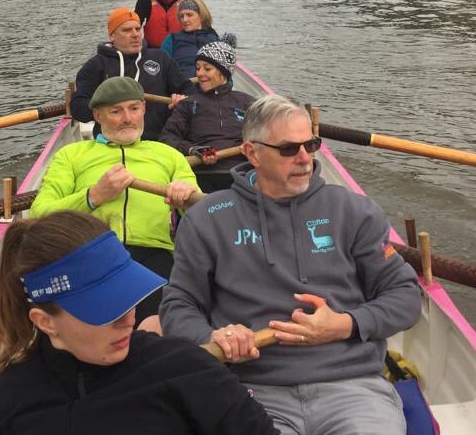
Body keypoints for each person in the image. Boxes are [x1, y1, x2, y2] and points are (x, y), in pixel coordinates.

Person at [160, 94, 421, 435]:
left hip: (352, 387)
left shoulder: (355, 211)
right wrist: (212, 337)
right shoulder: (206, 219)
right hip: (250, 389)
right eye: (288, 149)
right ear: (252, 153)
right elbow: (179, 304)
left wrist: (344, 324)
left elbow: (405, 296)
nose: (304, 159)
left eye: (310, 145)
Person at [0, 211, 278, 435]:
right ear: (45, 321)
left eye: (128, 297)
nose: (128, 319)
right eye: (104, 310)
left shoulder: (186, 368)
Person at [31, 76, 199, 322]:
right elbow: (39, 215)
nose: (128, 118)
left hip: (153, 254)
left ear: (144, 109)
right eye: (116, 111)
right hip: (88, 252)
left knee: (165, 322)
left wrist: (186, 198)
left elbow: (202, 214)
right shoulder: (71, 155)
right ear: (98, 116)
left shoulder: (169, 155)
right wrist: (93, 197)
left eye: (134, 108)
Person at [70, 7, 188, 140]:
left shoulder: (161, 58)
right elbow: (77, 107)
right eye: (127, 30)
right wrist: (108, 106)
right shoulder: (96, 65)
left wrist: (181, 99)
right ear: (112, 36)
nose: (135, 34)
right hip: (112, 142)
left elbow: (187, 90)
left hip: (159, 140)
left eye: (138, 29)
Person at [160, 42, 255, 194]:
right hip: (202, 175)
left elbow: (266, 136)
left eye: (207, 68)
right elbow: (167, 138)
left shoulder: (248, 102)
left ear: (223, 72)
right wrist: (193, 149)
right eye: (198, 68)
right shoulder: (188, 104)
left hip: (243, 173)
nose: (199, 73)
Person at [160, 0, 222, 82]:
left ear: (201, 16)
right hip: (182, 87)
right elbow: (161, 69)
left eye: (189, 15)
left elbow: (227, 77)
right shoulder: (172, 39)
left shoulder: (214, 40)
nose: (184, 20)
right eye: (182, 16)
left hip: (210, 87)